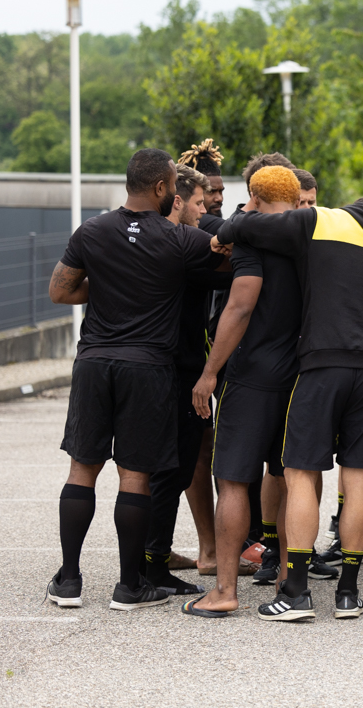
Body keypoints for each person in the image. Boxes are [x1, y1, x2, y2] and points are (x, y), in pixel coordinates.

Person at [211, 170, 363, 622]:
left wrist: (225, 230)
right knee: (357, 483)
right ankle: (349, 593)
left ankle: (295, 592)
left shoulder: (327, 221)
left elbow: (247, 226)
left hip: (320, 368)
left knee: (300, 475)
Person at [46, 148, 223, 611]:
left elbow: (60, 290)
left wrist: (102, 288)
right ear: (164, 188)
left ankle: (68, 580)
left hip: (93, 363)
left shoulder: (91, 230)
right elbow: (229, 261)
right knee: (135, 475)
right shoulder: (180, 239)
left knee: (82, 468)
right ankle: (129, 586)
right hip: (147, 368)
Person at [181, 167, 305, 618]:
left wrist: (210, 372)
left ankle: (225, 590)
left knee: (233, 479)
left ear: (253, 196)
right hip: (303, 374)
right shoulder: (314, 236)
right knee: (296, 478)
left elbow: (240, 304)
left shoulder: (252, 238)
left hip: (253, 373)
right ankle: (292, 587)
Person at [140, 165, 230, 598]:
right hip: (177, 371)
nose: (205, 210)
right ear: (176, 200)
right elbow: (225, 266)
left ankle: (146, 557)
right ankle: (152, 564)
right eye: (199, 201)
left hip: (145, 367)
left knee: (153, 470)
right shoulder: (186, 247)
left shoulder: (141, 243)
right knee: (170, 469)